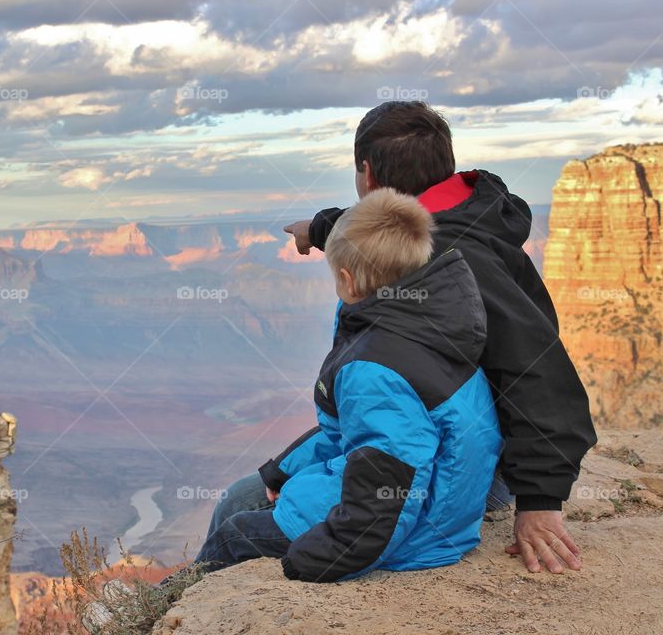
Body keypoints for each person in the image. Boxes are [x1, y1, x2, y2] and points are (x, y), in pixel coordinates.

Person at [210, 100, 596, 576]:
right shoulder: (462, 213)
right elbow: (385, 224)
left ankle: (177, 604)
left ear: (367, 174)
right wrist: (320, 227)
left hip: (448, 463)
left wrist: (540, 501)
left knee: (238, 504)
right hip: (432, 432)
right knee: (282, 475)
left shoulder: (457, 259)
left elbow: (537, 372)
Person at [193, 188, 502, 581]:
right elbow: (355, 436)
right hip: (433, 511)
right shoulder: (430, 326)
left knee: (234, 535)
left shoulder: (375, 369)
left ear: (348, 281)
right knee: (247, 500)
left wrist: (320, 556)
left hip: (415, 534)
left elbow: (387, 491)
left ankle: (163, 605)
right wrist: (281, 472)